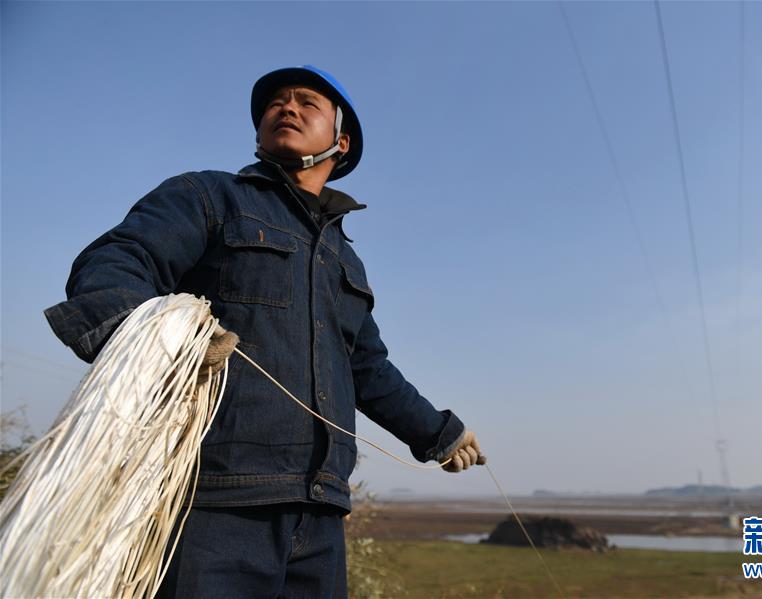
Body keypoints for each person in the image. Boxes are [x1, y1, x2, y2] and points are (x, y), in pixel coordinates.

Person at [43, 65, 484, 598]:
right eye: (276, 102)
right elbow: (117, 262)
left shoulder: (342, 260)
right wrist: (165, 341)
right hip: (212, 500)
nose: (287, 107)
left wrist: (440, 433)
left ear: (340, 142)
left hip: (319, 510)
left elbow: (367, 368)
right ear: (258, 133)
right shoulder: (208, 197)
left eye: (306, 103)